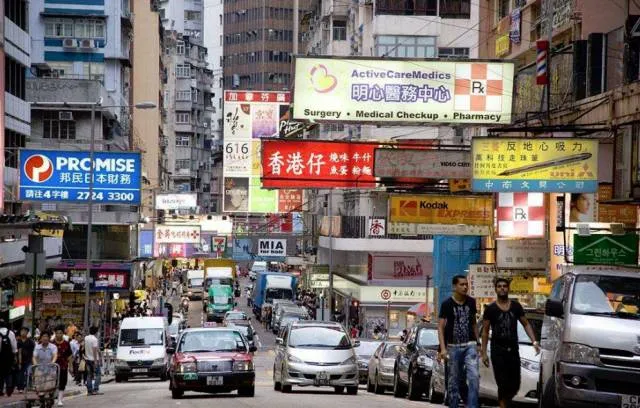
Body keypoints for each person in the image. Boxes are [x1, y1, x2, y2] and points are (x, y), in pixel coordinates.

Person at [481, 278, 540, 408]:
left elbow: (526, 324)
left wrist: (534, 341)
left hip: (513, 350)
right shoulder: (490, 309)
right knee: (502, 382)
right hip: (497, 350)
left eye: (504, 286)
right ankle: (503, 405)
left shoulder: (516, 306)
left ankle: (505, 402)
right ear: (496, 289)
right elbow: (485, 332)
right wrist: (483, 353)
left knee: (515, 384)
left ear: (508, 288)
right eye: (499, 286)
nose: (502, 288)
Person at [438, 275, 480, 408]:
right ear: (454, 286)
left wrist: (478, 342)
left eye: (466, 284)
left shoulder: (471, 302)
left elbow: (474, 323)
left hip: (470, 345)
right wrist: (442, 348)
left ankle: (472, 406)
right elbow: (440, 327)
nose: (465, 287)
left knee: (474, 376)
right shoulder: (446, 304)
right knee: (453, 381)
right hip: (453, 346)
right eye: (462, 284)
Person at [53, 325, 72, 406]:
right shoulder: (52, 343)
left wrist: (70, 366)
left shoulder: (66, 344)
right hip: (52, 367)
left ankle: (60, 400)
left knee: (62, 382)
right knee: (53, 383)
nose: (59, 335)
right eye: (57, 333)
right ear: (55, 334)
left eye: (60, 333)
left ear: (63, 334)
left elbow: (70, 356)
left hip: (63, 366)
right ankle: (52, 397)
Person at [0, 319, 17, 397]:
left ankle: (0, 389)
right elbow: (14, 346)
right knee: (9, 372)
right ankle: (9, 388)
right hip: (9, 356)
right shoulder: (11, 333)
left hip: (0, 356)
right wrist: (14, 355)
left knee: (0, 373)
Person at [16, 327, 35, 394]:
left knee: (29, 372)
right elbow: (19, 352)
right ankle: (20, 388)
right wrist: (19, 362)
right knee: (20, 374)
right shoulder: (19, 341)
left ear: (27, 333)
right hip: (21, 360)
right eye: (22, 331)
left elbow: (33, 351)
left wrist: (33, 360)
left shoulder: (30, 341)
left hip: (29, 360)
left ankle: (30, 385)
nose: (23, 332)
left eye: (25, 331)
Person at [83, 327, 102, 396]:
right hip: (94, 360)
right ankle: (95, 389)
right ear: (96, 332)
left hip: (87, 359)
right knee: (98, 374)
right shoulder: (94, 339)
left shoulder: (86, 338)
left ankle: (89, 391)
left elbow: (84, 346)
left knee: (89, 375)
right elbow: (94, 350)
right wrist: (95, 360)